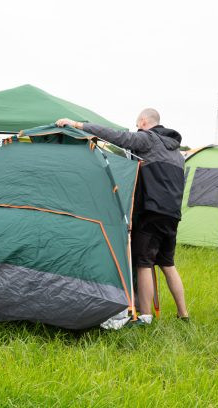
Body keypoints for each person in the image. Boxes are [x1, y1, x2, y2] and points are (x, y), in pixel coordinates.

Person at [56, 109, 188, 325]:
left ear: (144, 122)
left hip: (150, 212)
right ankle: (184, 315)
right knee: (167, 264)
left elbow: (117, 137)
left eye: (138, 124)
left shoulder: (148, 140)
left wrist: (79, 125)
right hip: (172, 215)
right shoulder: (176, 153)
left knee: (144, 263)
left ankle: (144, 317)